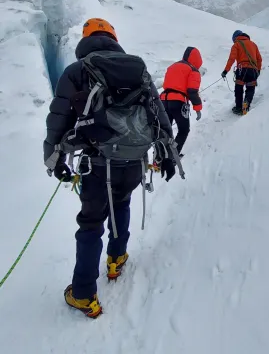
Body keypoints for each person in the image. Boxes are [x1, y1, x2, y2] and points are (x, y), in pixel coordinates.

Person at [43, 18, 177, 318]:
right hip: (134, 160)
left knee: (91, 223)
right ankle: (116, 259)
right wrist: (167, 153)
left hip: (97, 162)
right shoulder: (137, 69)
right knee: (122, 203)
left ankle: (83, 293)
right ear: (114, 39)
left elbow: (58, 119)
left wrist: (54, 159)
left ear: (85, 40)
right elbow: (158, 113)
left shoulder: (77, 71)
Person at [160, 47, 203, 154]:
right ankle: (173, 155)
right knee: (183, 130)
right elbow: (192, 91)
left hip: (163, 101)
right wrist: (198, 108)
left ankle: (160, 156)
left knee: (165, 131)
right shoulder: (193, 70)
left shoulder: (172, 66)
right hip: (178, 102)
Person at [221, 30, 262, 115]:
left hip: (241, 70)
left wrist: (225, 71)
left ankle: (238, 108)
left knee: (239, 88)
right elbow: (259, 59)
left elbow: (231, 59)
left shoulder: (236, 45)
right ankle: (246, 103)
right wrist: (258, 70)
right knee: (250, 88)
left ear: (235, 38)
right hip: (253, 70)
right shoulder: (253, 45)